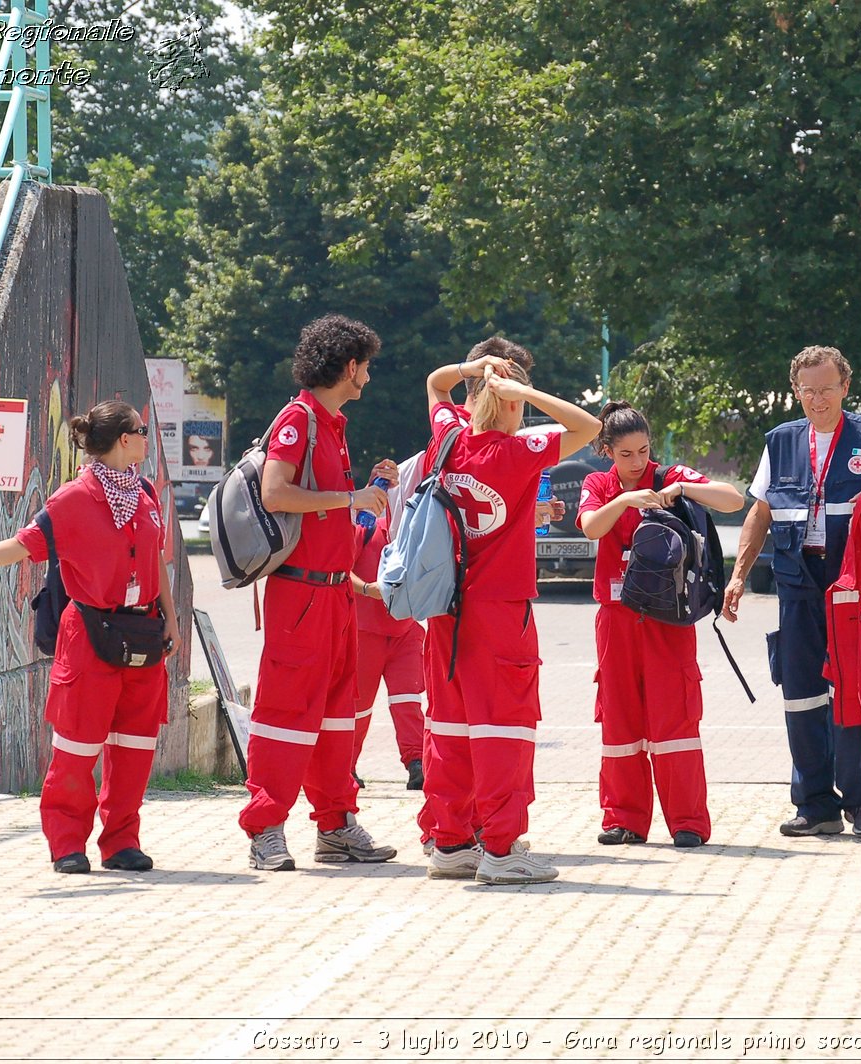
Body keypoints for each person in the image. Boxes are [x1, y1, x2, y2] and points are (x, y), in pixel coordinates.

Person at [0, 400, 180, 874]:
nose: (144, 436)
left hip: (143, 631)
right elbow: (24, 543)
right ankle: (67, 843)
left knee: (135, 746)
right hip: (90, 632)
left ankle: (120, 842)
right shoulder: (74, 498)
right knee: (77, 746)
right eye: (139, 430)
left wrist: (172, 618)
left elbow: (155, 558)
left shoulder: (146, 492)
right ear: (123, 440)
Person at [723, 346, 861, 838]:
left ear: (845, 387)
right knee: (800, 694)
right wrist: (737, 576)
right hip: (797, 582)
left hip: (853, 583)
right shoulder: (780, 441)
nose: (817, 399)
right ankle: (814, 804)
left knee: (855, 690)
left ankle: (860, 801)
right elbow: (760, 512)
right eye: (808, 390)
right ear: (796, 390)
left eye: (827, 389)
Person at [419, 345, 600, 885]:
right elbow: (588, 426)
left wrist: (471, 371)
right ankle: (501, 849)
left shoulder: (448, 436)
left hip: (446, 607)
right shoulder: (519, 452)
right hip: (500, 610)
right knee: (504, 729)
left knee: (449, 725)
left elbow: (435, 383)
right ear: (513, 404)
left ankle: (450, 842)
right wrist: (525, 393)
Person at [237, 314, 399, 871]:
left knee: (336, 716)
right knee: (285, 713)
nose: (369, 378)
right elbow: (277, 492)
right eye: (367, 367)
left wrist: (366, 492)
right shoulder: (298, 417)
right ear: (350, 367)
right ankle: (266, 827)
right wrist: (349, 498)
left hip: (334, 596)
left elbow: (328, 507)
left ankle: (335, 824)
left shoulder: (330, 423)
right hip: (301, 596)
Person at [577, 402, 744, 848]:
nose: (636, 463)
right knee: (619, 719)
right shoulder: (598, 484)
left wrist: (685, 489)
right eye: (626, 454)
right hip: (616, 620)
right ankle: (623, 818)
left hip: (668, 620)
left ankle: (688, 821)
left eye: (644, 451)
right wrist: (626, 499)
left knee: (676, 717)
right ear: (607, 451)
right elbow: (592, 527)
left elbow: (733, 499)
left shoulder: (667, 474)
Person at [348, 515, 427, 791]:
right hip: (364, 632)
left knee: (408, 700)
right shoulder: (366, 527)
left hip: (406, 632)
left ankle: (417, 763)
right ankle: (345, 766)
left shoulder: (420, 530)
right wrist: (369, 590)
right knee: (358, 707)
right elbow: (340, 569)